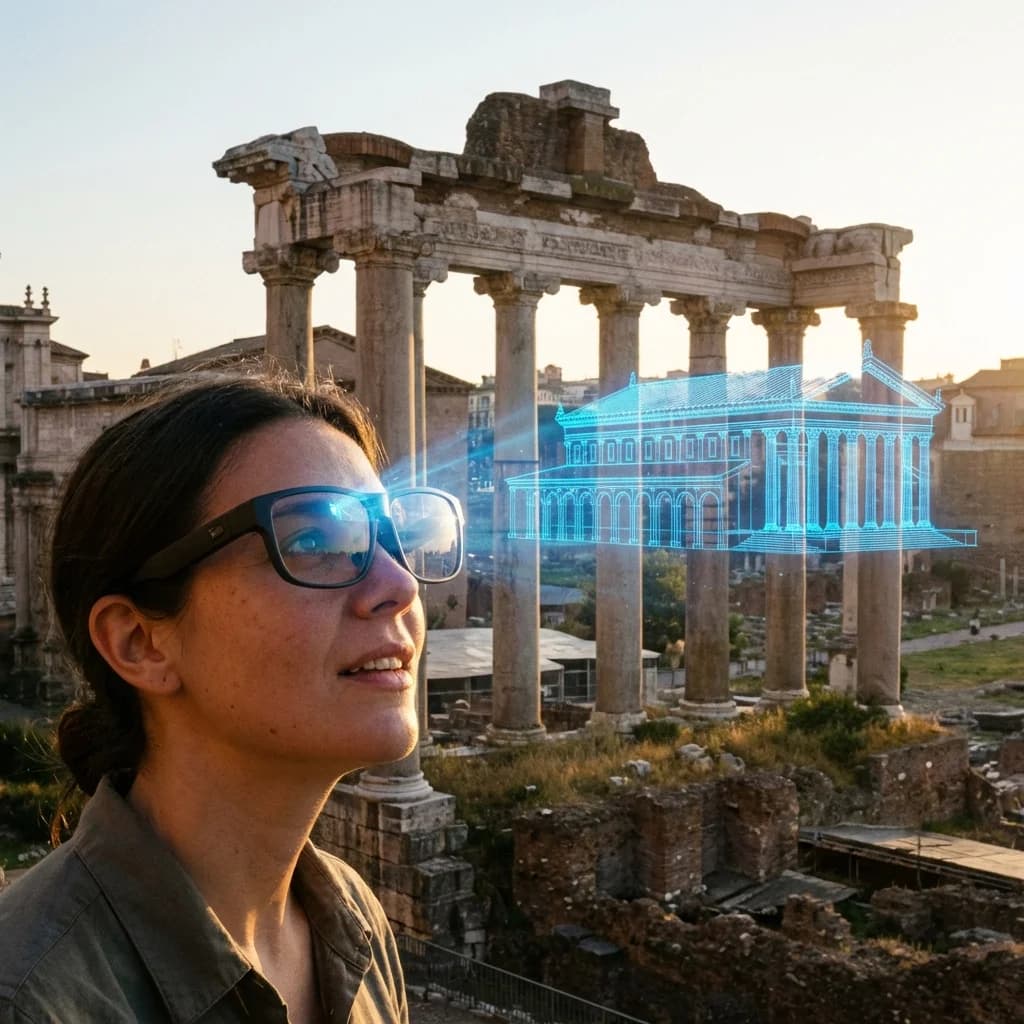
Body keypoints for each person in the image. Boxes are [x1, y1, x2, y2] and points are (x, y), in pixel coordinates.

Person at [0, 374, 464, 1023]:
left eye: (396, 538)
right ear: (140, 643)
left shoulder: (357, 922)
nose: (399, 584)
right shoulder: (30, 999)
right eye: (313, 541)